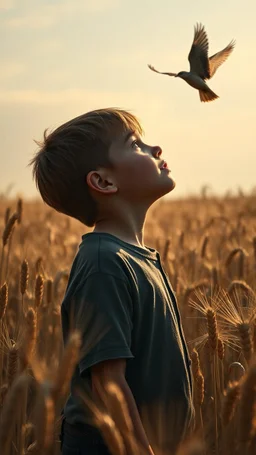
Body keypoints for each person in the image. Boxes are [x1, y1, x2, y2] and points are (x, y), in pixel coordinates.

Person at [31, 108, 194, 455]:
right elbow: (109, 385)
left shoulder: (135, 255)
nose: (156, 149)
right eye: (135, 144)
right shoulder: (105, 262)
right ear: (103, 182)